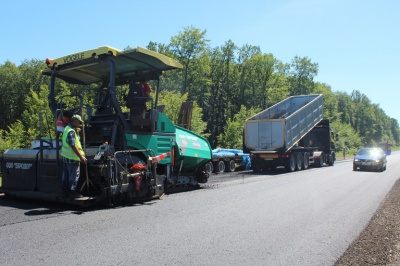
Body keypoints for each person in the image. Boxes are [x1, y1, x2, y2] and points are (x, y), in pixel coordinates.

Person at [61, 114, 87, 198]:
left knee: (66, 176)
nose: (79, 124)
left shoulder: (67, 129)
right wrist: (81, 157)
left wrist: (76, 130)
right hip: (72, 158)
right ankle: (73, 193)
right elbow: (73, 145)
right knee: (74, 175)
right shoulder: (71, 132)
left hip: (66, 157)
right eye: (79, 122)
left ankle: (65, 192)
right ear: (74, 121)